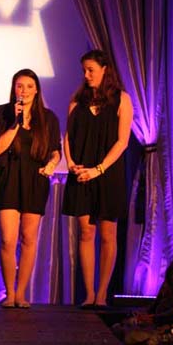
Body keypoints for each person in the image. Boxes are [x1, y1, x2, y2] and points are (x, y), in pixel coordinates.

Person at [62, 49, 133, 308]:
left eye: (91, 69)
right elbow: (67, 137)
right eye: (84, 70)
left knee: (107, 234)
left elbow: (123, 141)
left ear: (105, 69)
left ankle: (102, 293)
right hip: (81, 173)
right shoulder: (76, 102)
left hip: (107, 173)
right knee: (86, 232)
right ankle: (89, 293)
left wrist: (99, 169)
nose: (86, 75)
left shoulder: (121, 99)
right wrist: (70, 163)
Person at [0, 68, 61, 308]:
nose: (24, 91)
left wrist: (52, 163)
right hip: (8, 177)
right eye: (20, 86)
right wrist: (15, 123)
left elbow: (54, 150)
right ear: (14, 89)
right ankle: (9, 294)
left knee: (29, 238)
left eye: (29, 86)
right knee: (8, 240)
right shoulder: (2, 113)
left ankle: (21, 294)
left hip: (35, 179)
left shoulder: (48, 118)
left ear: (37, 89)